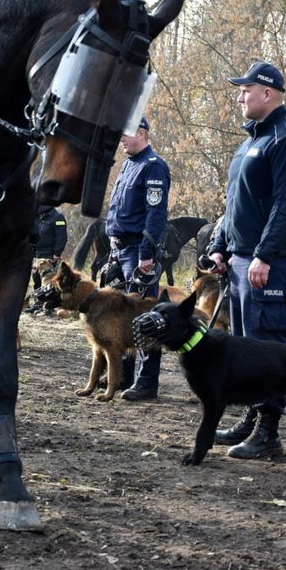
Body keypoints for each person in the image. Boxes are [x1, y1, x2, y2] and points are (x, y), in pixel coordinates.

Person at [208, 60, 286, 460]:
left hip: (267, 263)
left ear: (267, 93)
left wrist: (265, 255)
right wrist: (220, 244)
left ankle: (269, 432)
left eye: (245, 90)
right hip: (239, 259)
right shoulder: (248, 142)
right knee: (244, 347)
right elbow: (234, 205)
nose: (239, 96)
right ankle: (251, 418)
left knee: (266, 346)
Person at [104, 116, 170, 401]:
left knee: (143, 317)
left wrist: (146, 254)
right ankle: (122, 376)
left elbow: (155, 215)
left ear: (141, 133)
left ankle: (146, 382)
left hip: (137, 252)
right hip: (119, 250)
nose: (121, 140)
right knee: (119, 317)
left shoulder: (153, 167)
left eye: (125, 135)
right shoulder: (129, 166)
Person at [25, 205, 67, 313]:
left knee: (48, 284)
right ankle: (38, 304)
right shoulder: (38, 216)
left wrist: (57, 253)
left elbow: (61, 237)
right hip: (37, 255)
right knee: (36, 280)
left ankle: (49, 306)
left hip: (49, 256)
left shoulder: (57, 217)